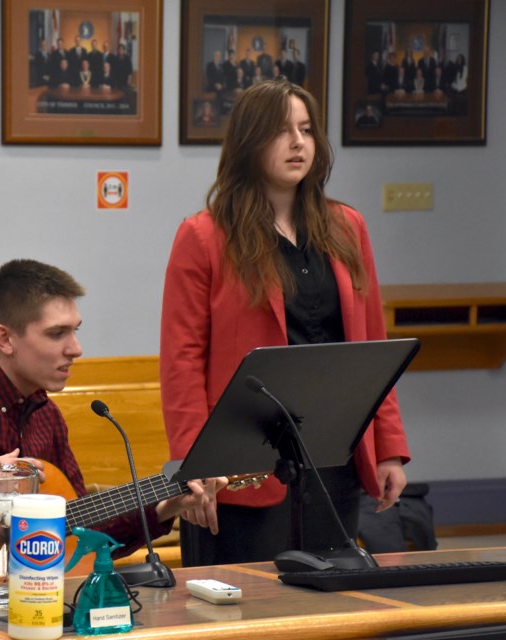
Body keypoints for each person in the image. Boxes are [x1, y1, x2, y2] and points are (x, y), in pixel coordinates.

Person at [159, 78, 410, 567]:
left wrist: (389, 448)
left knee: (332, 606)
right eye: (281, 131)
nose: (299, 142)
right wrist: (196, 466)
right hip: (242, 469)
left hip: (333, 457)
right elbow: (182, 362)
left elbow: (372, 347)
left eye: (307, 129)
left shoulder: (347, 227)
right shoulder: (204, 236)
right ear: (250, 142)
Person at [0, 259, 224, 560]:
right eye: (56, 334)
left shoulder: (46, 418)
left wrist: (161, 509)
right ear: (5, 338)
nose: (76, 348)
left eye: (76, 331)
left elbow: (79, 529)